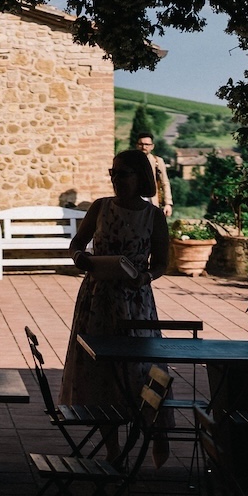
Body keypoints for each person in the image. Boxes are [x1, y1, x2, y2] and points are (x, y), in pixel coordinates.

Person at [60, 148, 171, 409]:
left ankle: (146, 428)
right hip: (97, 298)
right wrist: (79, 257)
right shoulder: (101, 207)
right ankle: (111, 444)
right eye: (113, 173)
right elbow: (77, 242)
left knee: (138, 366)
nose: (116, 179)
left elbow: (161, 264)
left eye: (123, 174)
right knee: (97, 366)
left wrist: (145, 277)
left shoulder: (153, 216)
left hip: (134, 301)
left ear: (140, 176)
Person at [136, 134, 172, 217]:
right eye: (141, 144)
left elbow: (165, 182)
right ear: (137, 145)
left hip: (152, 200)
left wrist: (168, 203)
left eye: (147, 144)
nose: (144, 147)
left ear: (152, 146)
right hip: (135, 200)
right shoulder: (130, 161)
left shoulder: (158, 161)